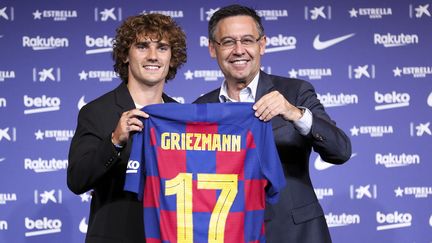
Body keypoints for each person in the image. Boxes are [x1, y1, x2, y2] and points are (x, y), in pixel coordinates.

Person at [194, 4, 352, 243]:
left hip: (296, 234)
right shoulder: (200, 108)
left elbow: (340, 151)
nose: (239, 50)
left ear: (262, 44)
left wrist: (295, 113)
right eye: (227, 42)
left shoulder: (295, 92)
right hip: (228, 233)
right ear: (212, 49)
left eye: (247, 40)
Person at [67, 13, 187, 243]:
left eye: (162, 48)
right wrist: (114, 141)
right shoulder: (97, 112)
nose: (153, 56)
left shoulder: (180, 116)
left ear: (172, 58)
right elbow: (77, 180)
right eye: (142, 46)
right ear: (125, 55)